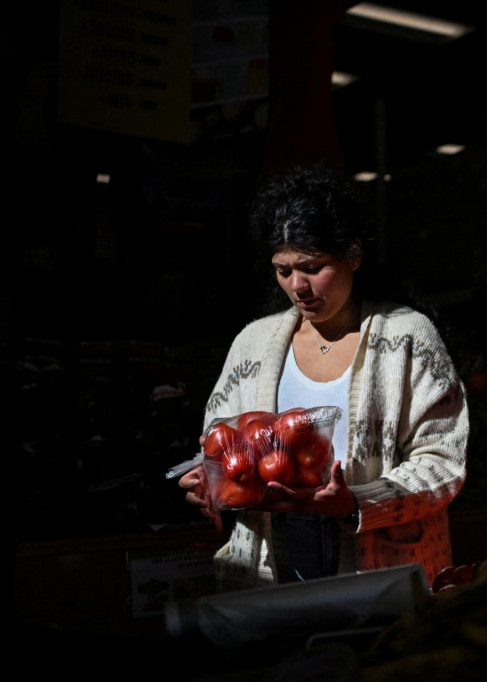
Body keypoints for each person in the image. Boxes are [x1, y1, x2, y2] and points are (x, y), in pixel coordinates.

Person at [178, 161, 469, 591]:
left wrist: (355, 503)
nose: (298, 286)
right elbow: (221, 441)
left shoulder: (408, 337)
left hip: (379, 578)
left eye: (313, 268)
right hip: (264, 575)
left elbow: (444, 461)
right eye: (283, 270)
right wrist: (211, 478)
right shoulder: (252, 345)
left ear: (353, 256)